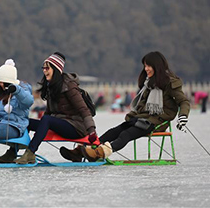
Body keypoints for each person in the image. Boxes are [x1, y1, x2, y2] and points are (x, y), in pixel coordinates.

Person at [61, 51, 190, 162]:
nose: (146, 69)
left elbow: (184, 101)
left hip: (157, 122)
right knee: (114, 131)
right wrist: (132, 117)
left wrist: (183, 116)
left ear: (157, 66)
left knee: (126, 134)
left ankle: (99, 153)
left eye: (149, 66)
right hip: (141, 119)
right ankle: (81, 151)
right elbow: (142, 106)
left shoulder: (170, 83)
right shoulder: (149, 83)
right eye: (145, 66)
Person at [12, 52, 98, 164]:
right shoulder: (51, 86)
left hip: (76, 127)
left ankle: (30, 153)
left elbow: (83, 109)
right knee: (26, 122)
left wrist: (91, 131)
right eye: (43, 68)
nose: (44, 70)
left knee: (47, 120)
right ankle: (12, 152)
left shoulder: (69, 86)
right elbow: (49, 113)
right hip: (61, 123)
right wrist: (41, 127)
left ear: (56, 69)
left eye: (47, 68)